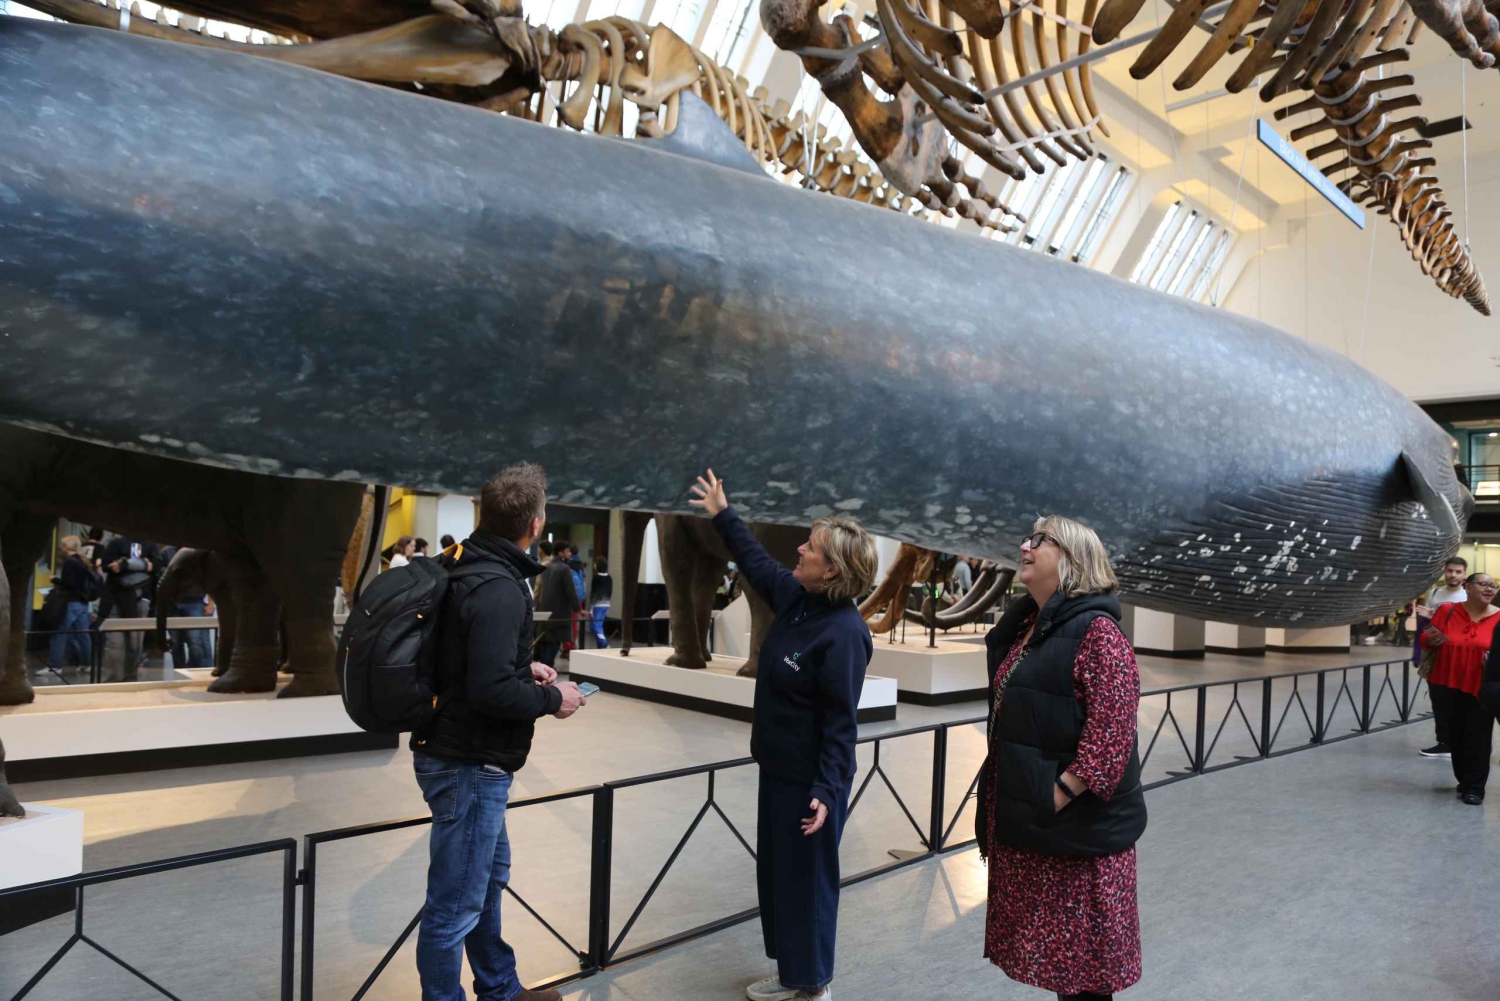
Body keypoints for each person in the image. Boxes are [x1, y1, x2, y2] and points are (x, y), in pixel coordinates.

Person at [689, 469, 877, 1001]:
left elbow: (841, 726)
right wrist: (723, 513)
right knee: (779, 879)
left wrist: (827, 791)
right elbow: (754, 561)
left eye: (810, 547)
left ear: (832, 568)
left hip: (809, 787)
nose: (799, 548)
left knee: (807, 884)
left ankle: (813, 985)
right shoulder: (797, 599)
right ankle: (795, 972)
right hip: (778, 773)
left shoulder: (844, 633)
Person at [410, 462, 586, 1001]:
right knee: (455, 905)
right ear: (535, 525)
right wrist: (554, 698)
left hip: (463, 753)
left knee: (484, 882)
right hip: (469, 761)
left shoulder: (466, 564)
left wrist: (520, 668)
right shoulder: (500, 587)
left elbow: (463, 661)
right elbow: (489, 692)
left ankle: (500, 989)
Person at [976, 516, 1146, 1001]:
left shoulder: (1098, 634)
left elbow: (1110, 739)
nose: (1025, 546)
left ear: (1072, 559)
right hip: (1042, 833)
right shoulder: (1030, 627)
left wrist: (1054, 795)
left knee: (1085, 981)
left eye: (1040, 539)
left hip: (1078, 840)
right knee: (1066, 975)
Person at [1419, 572, 1500, 805]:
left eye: (1493, 586)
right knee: (1456, 735)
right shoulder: (1447, 610)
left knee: (1479, 736)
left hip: (1481, 685)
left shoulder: (1499, 617)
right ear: (1467, 586)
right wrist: (1429, 640)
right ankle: (1464, 779)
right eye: (1483, 584)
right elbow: (1427, 637)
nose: (1489, 589)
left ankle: (1475, 788)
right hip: (1446, 682)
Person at [1417, 556, 1470, 758]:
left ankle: (1468, 742)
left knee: (1463, 701)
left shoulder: (1469, 595)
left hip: (1462, 656)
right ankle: (1445, 742)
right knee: (1439, 700)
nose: (1453, 575)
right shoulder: (1435, 593)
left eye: (1458, 571)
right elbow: (1429, 626)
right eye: (1450, 571)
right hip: (1438, 655)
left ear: (1464, 574)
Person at [96, 535, 160, 680]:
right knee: (116, 642)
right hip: (116, 596)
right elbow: (107, 565)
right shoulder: (116, 542)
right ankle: (115, 677)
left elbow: (156, 565)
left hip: (141, 597)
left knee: (135, 642)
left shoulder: (150, 542)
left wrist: (128, 565)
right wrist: (141, 564)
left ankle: (130, 677)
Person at [48, 535, 95, 672]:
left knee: (59, 632)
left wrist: (55, 580)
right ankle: (86, 664)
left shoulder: (70, 563)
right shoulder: (83, 561)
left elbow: (69, 584)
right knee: (83, 634)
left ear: (66, 547)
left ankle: (55, 666)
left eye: (62, 545)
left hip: (72, 602)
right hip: (83, 603)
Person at [533, 541, 578, 668]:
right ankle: (546, 670)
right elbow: (570, 590)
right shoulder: (564, 568)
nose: (570, 553)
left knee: (545, 643)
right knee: (553, 643)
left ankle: (543, 669)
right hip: (559, 613)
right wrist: (577, 608)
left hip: (544, 611)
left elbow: (539, 589)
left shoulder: (546, 567)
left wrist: (534, 604)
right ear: (560, 553)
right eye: (567, 551)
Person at [589, 557, 612, 649]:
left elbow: (594, 593)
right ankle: (600, 646)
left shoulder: (596, 578)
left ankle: (604, 643)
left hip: (597, 605)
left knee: (595, 625)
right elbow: (610, 592)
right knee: (600, 625)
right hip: (607, 604)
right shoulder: (609, 578)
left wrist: (591, 608)